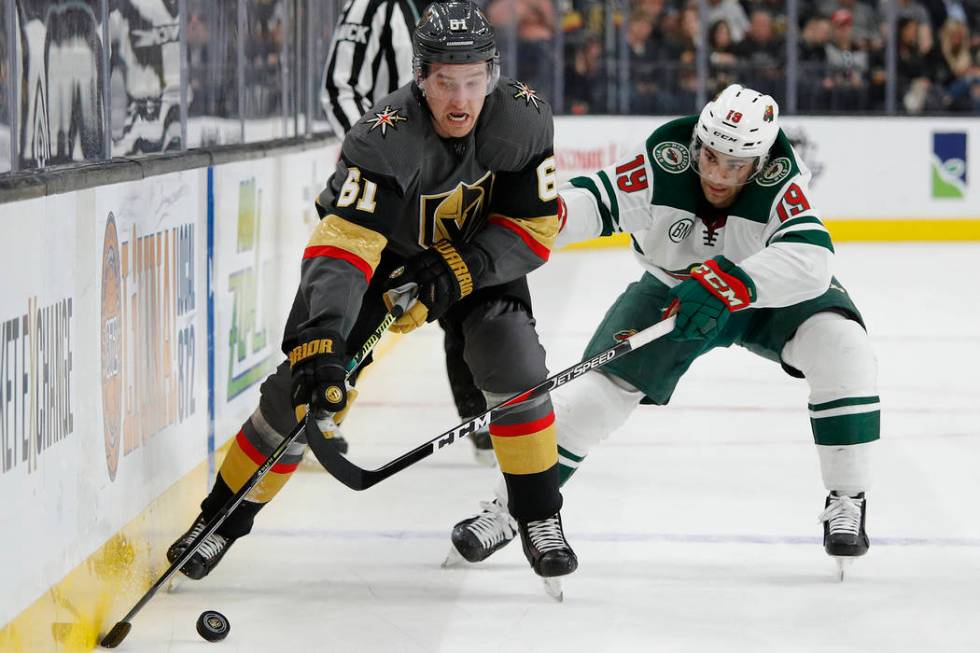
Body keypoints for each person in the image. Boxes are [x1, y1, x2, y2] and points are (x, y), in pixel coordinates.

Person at [167, 0, 577, 585]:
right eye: (444, 83)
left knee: (513, 362)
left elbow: (533, 230)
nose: (460, 100)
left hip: (477, 261)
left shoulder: (524, 118)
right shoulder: (384, 134)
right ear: (420, 78)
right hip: (388, 263)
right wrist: (324, 335)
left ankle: (539, 518)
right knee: (299, 394)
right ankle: (219, 522)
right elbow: (345, 244)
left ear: (493, 75)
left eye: (472, 82)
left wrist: (461, 267)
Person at [447, 84, 878, 575]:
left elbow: (813, 260)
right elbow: (594, 201)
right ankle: (509, 510)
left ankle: (847, 499)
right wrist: (533, 221)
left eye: (735, 166)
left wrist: (729, 283)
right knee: (590, 400)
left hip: (762, 290)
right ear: (697, 142)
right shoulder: (664, 162)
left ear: (758, 164)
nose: (717, 175)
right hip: (674, 291)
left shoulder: (781, 179)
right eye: (710, 157)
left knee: (845, 350)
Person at [320, 0, 496, 465]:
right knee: (360, 300)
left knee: (460, 288)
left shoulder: (462, 11)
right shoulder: (374, 6)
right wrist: (382, 152)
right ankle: (322, 408)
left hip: (455, 177)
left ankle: (480, 415)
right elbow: (339, 86)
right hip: (388, 185)